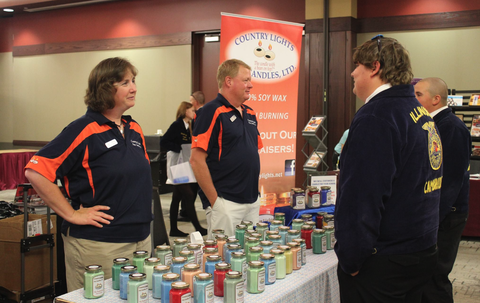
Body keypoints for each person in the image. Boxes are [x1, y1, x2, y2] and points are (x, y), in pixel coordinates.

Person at [24, 57, 152, 292]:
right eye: (125, 83)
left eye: (133, 81)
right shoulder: (83, 129)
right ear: (105, 88)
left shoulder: (134, 129)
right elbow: (36, 171)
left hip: (141, 240)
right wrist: (71, 213)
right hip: (99, 245)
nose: (134, 88)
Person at [334, 36, 442, 303]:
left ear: (374, 67)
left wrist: (351, 259)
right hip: (421, 248)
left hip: (384, 260)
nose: (352, 73)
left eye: (357, 65)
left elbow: (362, 198)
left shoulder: (377, 116)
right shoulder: (418, 112)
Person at [190, 59, 262, 238]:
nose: (250, 85)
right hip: (226, 202)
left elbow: (252, 153)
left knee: (249, 256)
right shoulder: (211, 111)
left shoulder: (250, 113)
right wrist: (215, 202)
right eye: (245, 80)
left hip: (251, 201)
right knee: (223, 261)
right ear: (229, 81)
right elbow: (196, 160)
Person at [414, 78, 471, 303]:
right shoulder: (429, 124)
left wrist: (433, 219)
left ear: (436, 99)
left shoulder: (452, 128)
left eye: (419, 95)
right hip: (433, 214)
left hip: (446, 215)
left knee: (436, 278)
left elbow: (451, 180)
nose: (414, 100)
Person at [160, 101, 207, 237]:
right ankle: (197, 227)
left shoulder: (189, 126)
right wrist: (178, 147)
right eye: (192, 110)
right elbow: (164, 142)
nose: (194, 113)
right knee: (189, 195)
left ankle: (173, 229)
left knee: (177, 198)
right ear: (185, 111)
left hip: (185, 166)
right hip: (177, 167)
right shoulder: (177, 125)